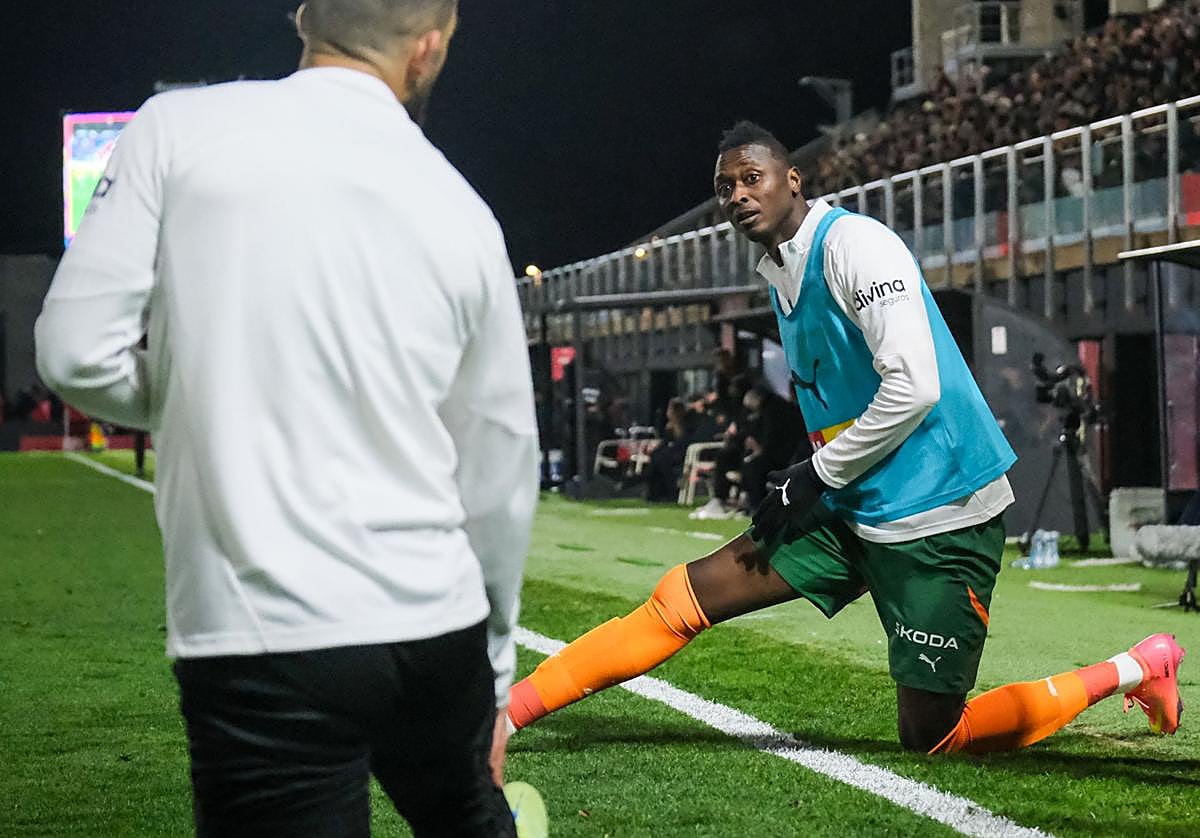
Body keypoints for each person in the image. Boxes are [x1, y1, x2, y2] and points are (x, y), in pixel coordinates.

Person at [506, 121, 1184, 753]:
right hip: (855, 499)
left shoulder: (857, 247)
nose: (739, 196)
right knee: (680, 598)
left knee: (934, 738)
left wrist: (814, 474)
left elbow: (913, 387)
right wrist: (821, 475)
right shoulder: (779, 268)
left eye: (753, 178)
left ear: (793, 179)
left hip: (938, 515)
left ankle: (1136, 666)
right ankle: (505, 717)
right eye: (726, 187)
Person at [35, 2, 537, 835]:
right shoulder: (463, 209)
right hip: (436, 626)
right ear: (430, 49)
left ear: (304, 16)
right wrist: (493, 680)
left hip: (267, 631)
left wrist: (216, 386)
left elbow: (75, 351)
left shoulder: (177, 130)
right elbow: (499, 466)